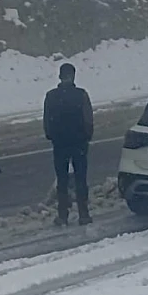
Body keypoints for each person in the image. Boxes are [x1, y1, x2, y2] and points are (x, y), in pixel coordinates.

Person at [43, 63, 95, 226]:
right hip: (79, 142)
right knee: (81, 179)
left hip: (60, 143)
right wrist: (86, 136)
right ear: (73, 76)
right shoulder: (81, 95)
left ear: (59, 76)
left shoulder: (51, 96)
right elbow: (88, 119)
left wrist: (52, 136)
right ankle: (83, 213)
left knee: (62, 180)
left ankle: (63, 214)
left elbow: (47, 120)